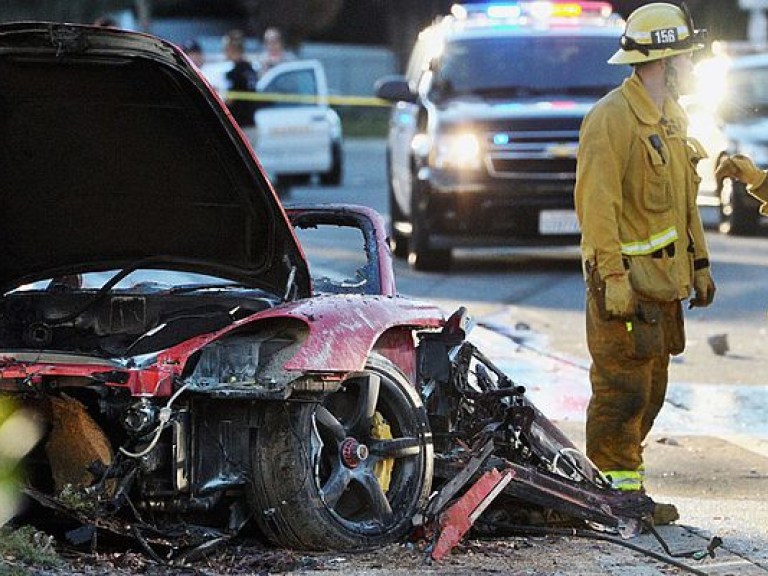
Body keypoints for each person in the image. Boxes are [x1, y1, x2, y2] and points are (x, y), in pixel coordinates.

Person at [574, 3, 716, 523]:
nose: (692, 67)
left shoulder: (671, 120)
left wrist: (699, 265)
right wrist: (611, 275)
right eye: (686, 58)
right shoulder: (611, 120)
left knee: (651, 393)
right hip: (625, 290)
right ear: (664, 61)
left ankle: (622, 494)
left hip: (661, 289)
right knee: (621, 395)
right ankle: (613, 501)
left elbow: (685, 203)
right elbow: (598, 207)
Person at [222, 30, 259, 135]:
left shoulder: (234, 73)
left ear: (231, 49)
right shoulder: (250, 69)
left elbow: (230, 100)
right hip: (251, 125)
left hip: (240, 128)